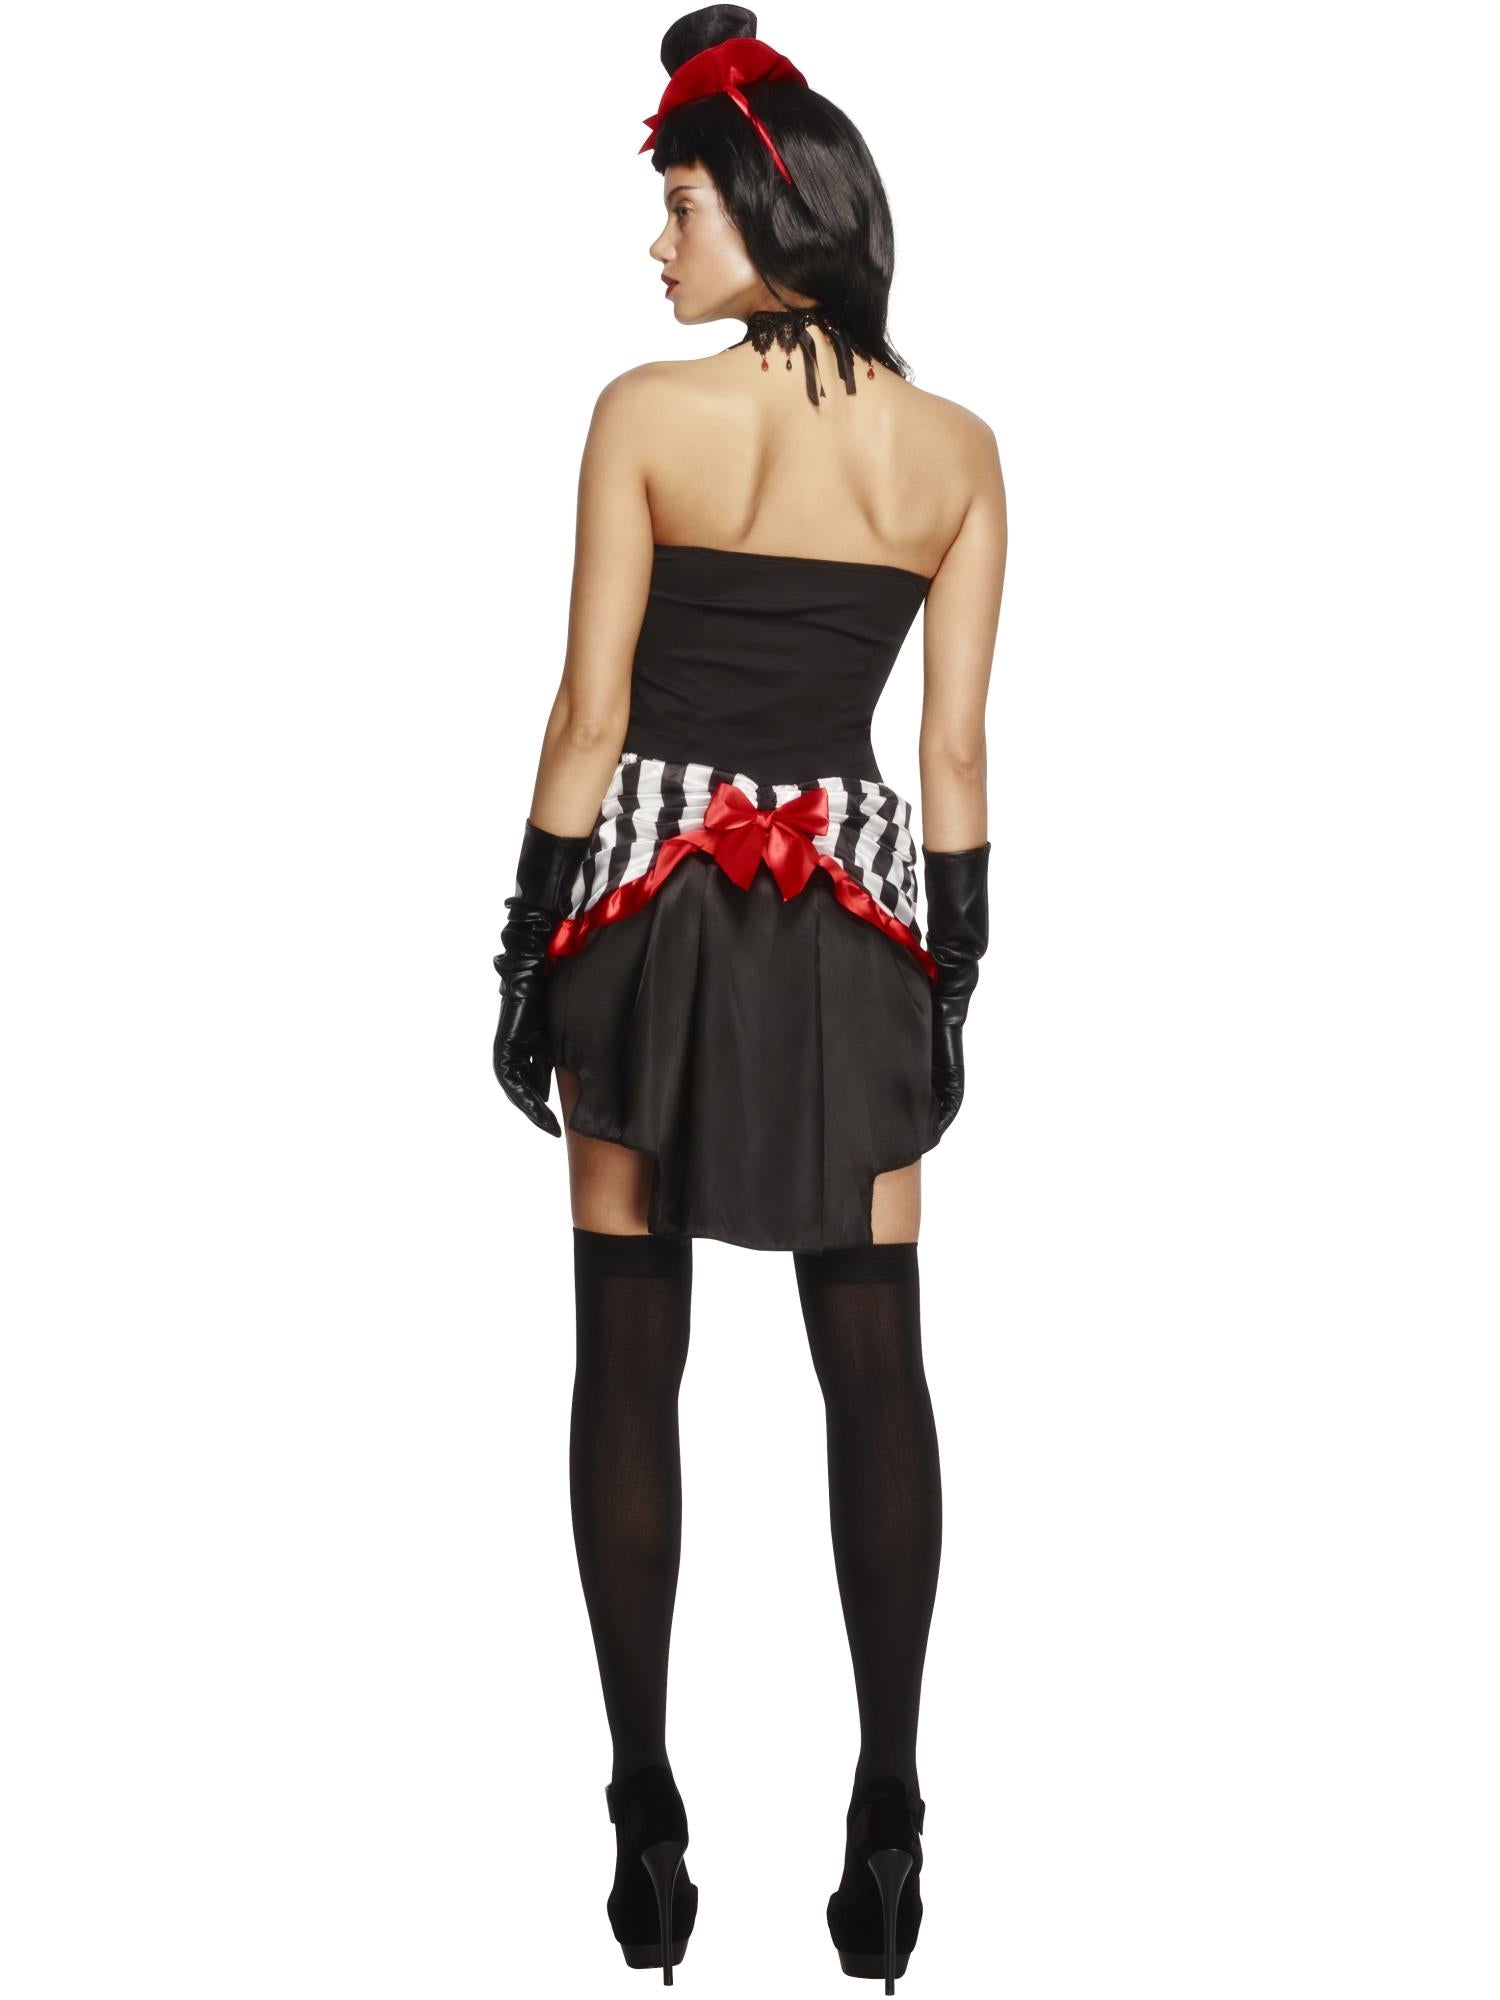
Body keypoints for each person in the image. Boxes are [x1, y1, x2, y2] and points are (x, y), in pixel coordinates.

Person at [492, 8, 1005, 1986]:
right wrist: (953, 977)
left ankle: (642, 1809)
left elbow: (590, 712)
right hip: (855, 925)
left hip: (650, 911)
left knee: (629, 1353)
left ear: (773, 207)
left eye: (680, 203)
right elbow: (950, 756)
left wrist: (523, 942)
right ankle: (891, 1810)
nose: (657, 243)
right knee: (875, 1355)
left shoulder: (646, 413)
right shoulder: (956, 453)